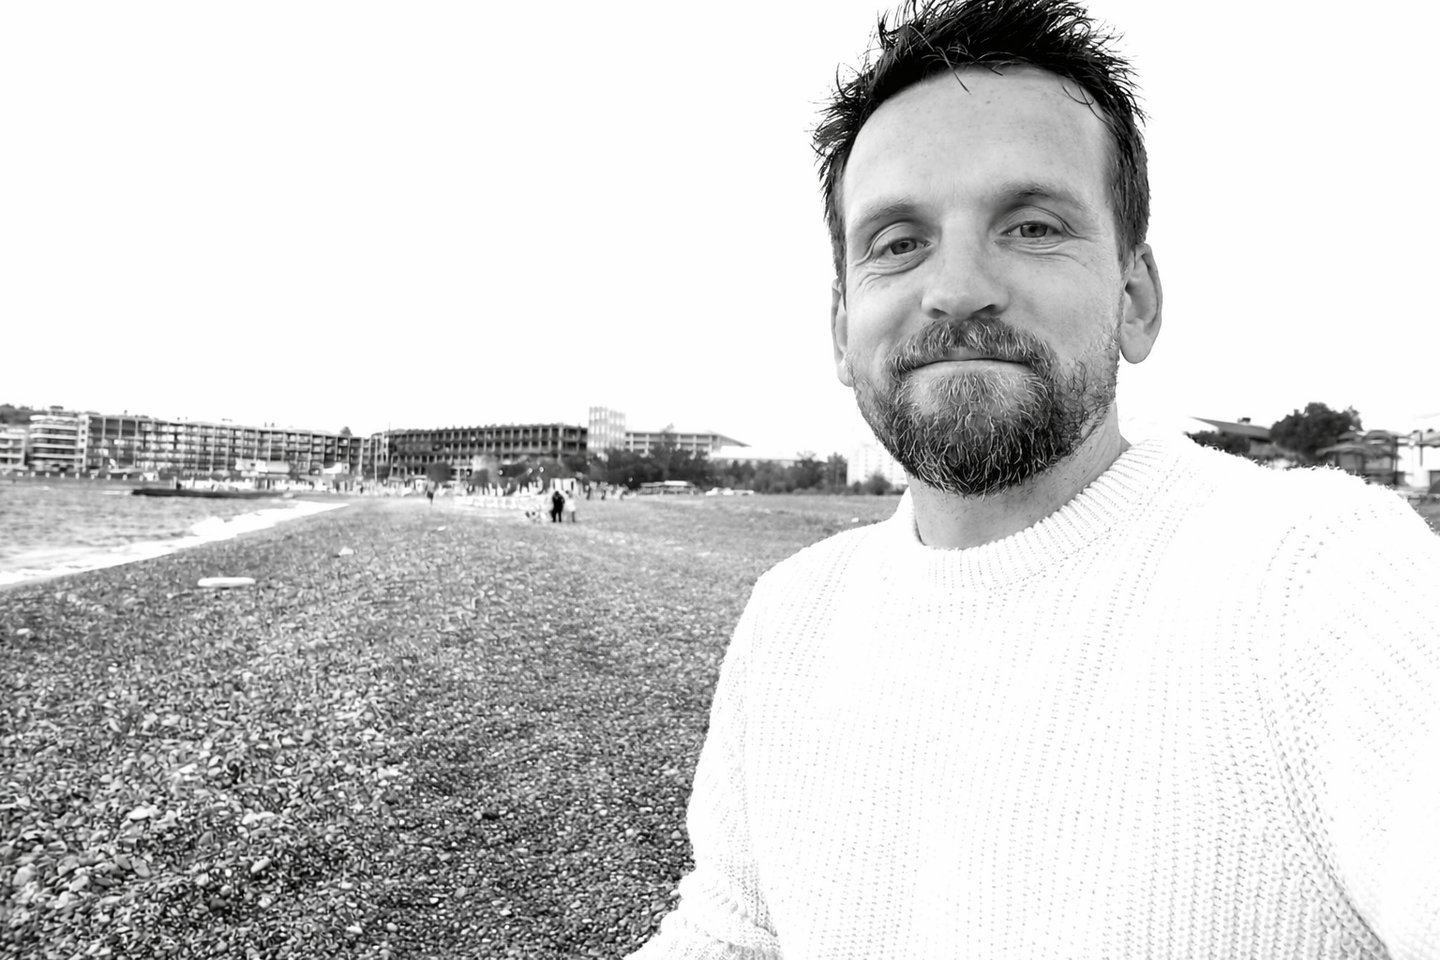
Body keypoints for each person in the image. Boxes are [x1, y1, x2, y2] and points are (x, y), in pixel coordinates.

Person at [627, 1, 1440, 958]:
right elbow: (730, 931)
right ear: (842, 329)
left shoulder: (1324, 582)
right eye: (897, 242)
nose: (957, 288)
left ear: (1135, 300)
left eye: (1032, 226)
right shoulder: (792, 617)